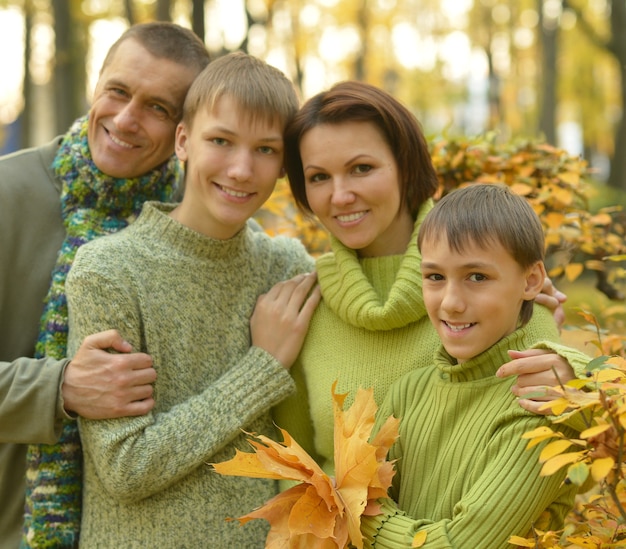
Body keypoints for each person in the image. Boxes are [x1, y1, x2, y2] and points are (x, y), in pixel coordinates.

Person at [52, 52, 321, 548]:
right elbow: (125, 468)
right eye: (221, 141)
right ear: (183, 141)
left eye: (265, 150)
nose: (241, 169)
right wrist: (261, 368)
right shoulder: (110, 269)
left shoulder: (287, 267)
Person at [272, 81, 591, 474]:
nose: (339, 196)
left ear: (405, 167)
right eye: (319, 177)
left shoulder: (497, 284)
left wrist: (579, 374)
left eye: (362, 168)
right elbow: (293, 471)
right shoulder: (303, 309)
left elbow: (558, 447)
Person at [0, 21, 210, 549]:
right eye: (117, 92)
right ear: (97, 85)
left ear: (184, 130)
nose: (125, 119)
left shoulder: (197, 223)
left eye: (158, 108)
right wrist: (62, 387)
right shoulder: (8, 195)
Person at [359, 183, 580, 548]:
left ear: (531, 281)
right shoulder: (409, 390)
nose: (450, 303)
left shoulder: (539, 403)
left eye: (477, 277)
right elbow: (357, 495)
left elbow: (460, 545)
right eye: (435, 277)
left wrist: (367, 521)